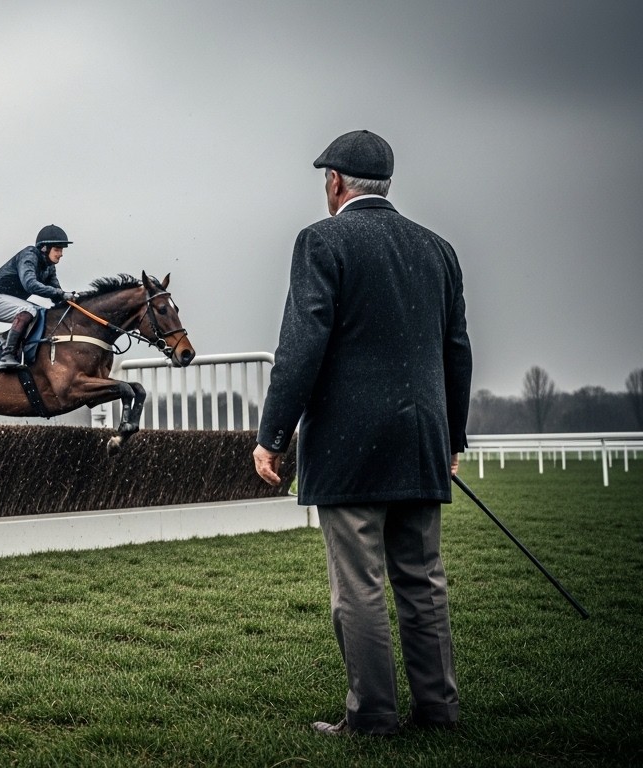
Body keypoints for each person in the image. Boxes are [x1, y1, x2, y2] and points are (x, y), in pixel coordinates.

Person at [252, 130, 472, 736]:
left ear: (335, 182)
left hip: (350, 446)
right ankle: (439, 711)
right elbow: (456, 349)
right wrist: (454, 436)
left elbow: (301, 347)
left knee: (360, 586)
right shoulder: (438, 249)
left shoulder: (321, 241)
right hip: (423, 439)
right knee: (423, 581)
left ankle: (372, 717)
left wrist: (272, 434)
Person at [0, 224, 76, 369]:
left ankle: (11, 341)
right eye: (57, 249)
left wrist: (76, 298)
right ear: (44, 248)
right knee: (30, 310)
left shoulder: (49, 267)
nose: (61, 254)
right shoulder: (29, 255)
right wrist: (62, 294)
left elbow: (57, 294)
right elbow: (30, 284)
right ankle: (7, 356)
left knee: (44, 313)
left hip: (7, 298)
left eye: (61, 250)